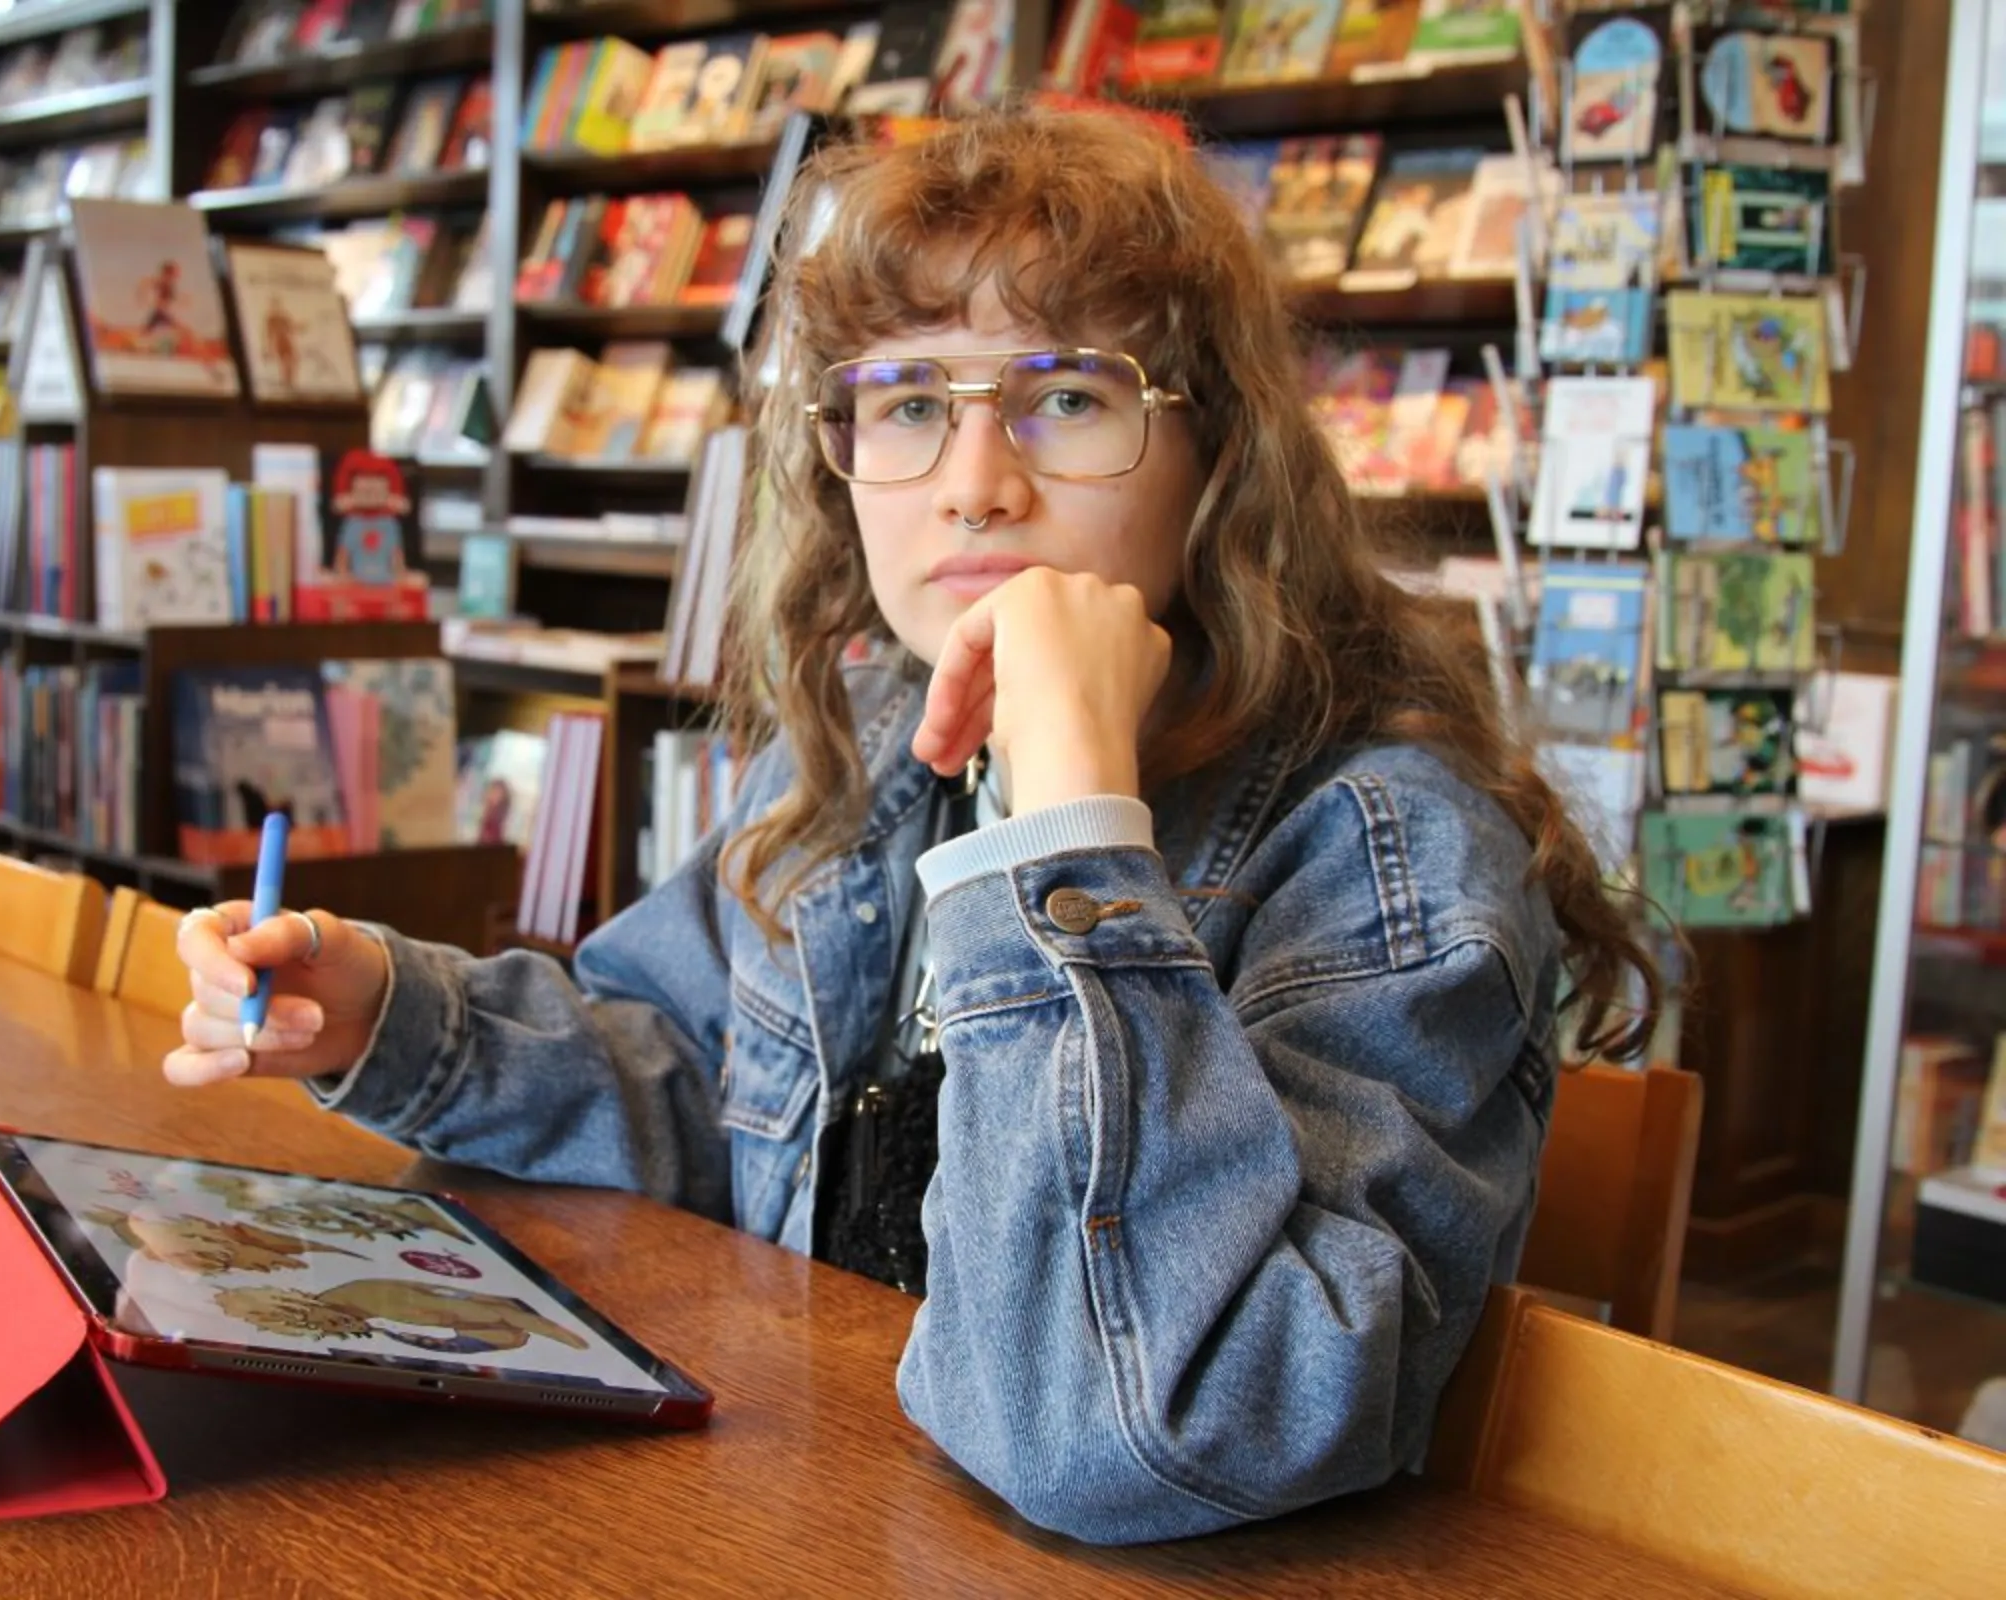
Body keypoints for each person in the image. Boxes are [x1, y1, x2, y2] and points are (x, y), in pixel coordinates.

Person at [164, 106, 1660, 1545]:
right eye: (908, 404)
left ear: (1220, 462)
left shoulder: (1387, 850)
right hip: (826, 1507)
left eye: (1068, 398)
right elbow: (688, 1073)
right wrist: (385, 1017)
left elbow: (1138, 1433)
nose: (974, 487)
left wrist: (1072, 818)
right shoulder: (878, 744)